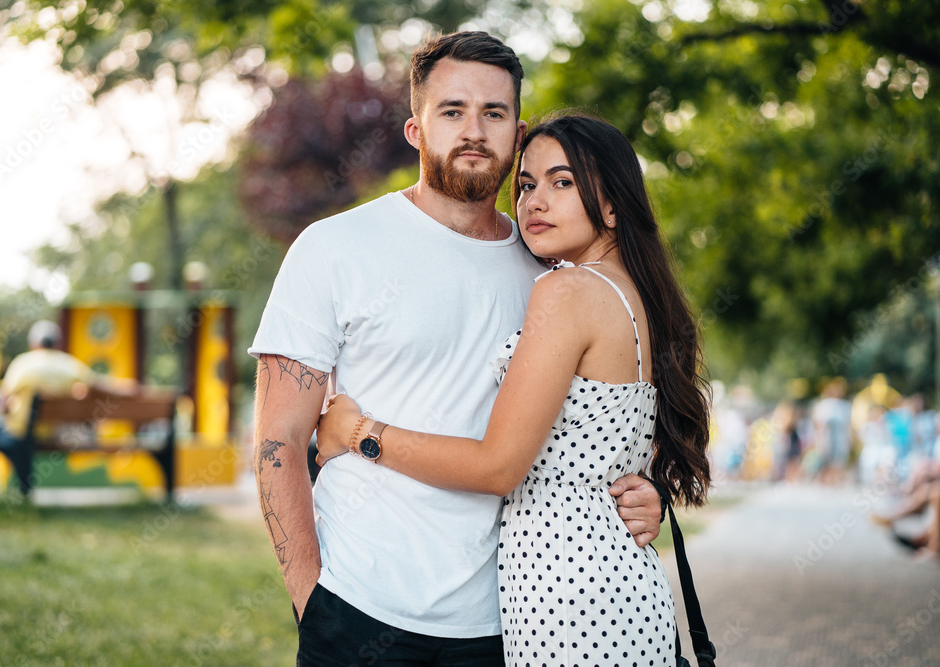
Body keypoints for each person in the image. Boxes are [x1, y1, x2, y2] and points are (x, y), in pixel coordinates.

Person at [248, 32, 663, 667]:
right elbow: (277, 442)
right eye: (452, 111)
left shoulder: (548, 263)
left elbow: (595, 418)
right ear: (416, 129)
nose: (474, 130)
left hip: (507, 620)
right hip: (360, 607)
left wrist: (641, 492)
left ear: (517, 131)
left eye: (494, 113)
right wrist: (314, 604)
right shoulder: (334, 248)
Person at [317, 111, 712, 666]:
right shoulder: (633, 295)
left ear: (615, 205)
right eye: (526, 184)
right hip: (610, 586)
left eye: (562, 182)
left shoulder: (567, 291)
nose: (534, 201)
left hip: (570, 598)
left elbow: (498, 468)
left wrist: (358, 432)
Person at [0, 320, 134, 494]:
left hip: (19, 433)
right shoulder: (70, 365)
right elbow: (99, 385)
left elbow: (3, 402)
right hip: (50, 432)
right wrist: (130, 388)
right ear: (57, 343)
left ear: (34, 343)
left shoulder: (24, 363)